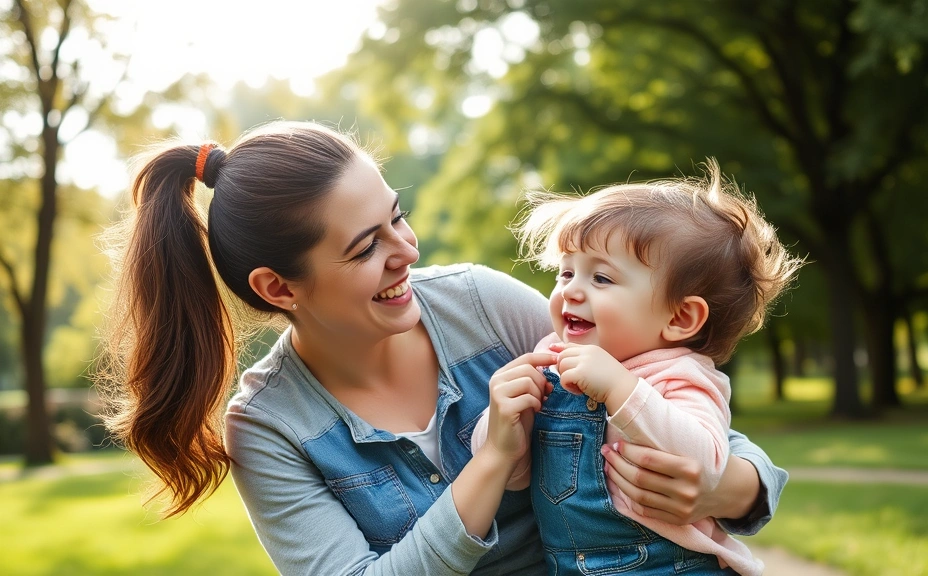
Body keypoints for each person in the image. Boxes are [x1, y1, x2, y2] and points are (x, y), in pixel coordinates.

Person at [97, 121, 788, 575]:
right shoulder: (271, 428)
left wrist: (734, 484)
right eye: (367, 246)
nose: (407, 250)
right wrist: (491, 462)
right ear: (279, 287)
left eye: (396, 215)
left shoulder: (479, 305)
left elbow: (673, 390)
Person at [472, 161, 803, 575]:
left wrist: (620, 388)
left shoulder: (680, 374)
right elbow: (517, 477)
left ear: (680, 318)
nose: (571, 289)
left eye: (602, 279)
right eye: (567, 271)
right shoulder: (550, 358)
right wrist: (502, 427)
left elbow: (705, 462)